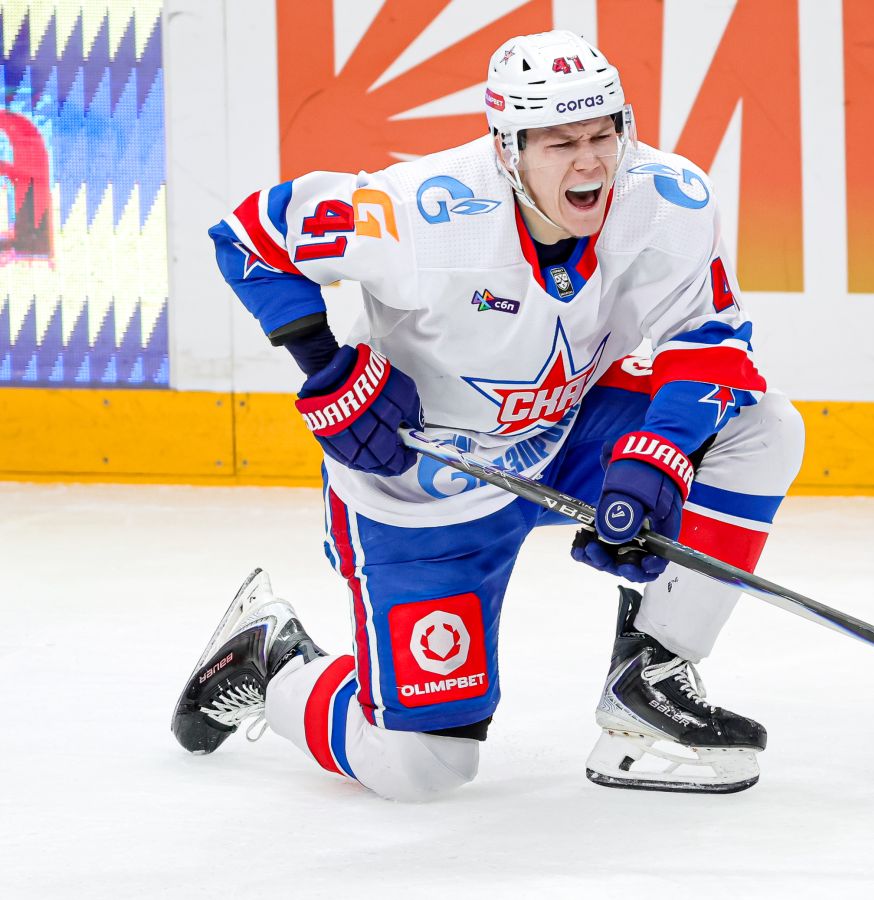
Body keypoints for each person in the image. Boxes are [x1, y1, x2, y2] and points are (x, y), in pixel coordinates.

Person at [171, 29, 804, 800]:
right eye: (561, 143)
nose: (591, 163)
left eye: (603, 134)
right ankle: (272, 661)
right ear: (508, 149)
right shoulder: (421, 213)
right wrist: (327, 369)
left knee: (762, 429)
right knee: (422, 767)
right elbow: (251, 235)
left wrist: (656, 457)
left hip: (568, 434)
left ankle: (652, 672)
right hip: (421, 483)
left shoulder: (666, 201)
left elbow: (711, 344)